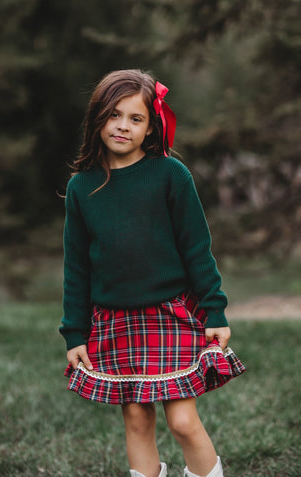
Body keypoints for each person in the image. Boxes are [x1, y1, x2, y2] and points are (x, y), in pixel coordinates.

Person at [59, 69, 245, 477]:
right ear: (98, 119)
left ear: (150, 128)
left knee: (182, 422)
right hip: (115, 321)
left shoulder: (171, 175)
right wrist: (74, 331)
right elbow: (77, 266)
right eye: (114, 115)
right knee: (137, 420)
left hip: (171, 315)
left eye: (135, 118)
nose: (123, 126)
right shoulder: (80, 187)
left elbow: (197, 249)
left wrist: (215, 310)